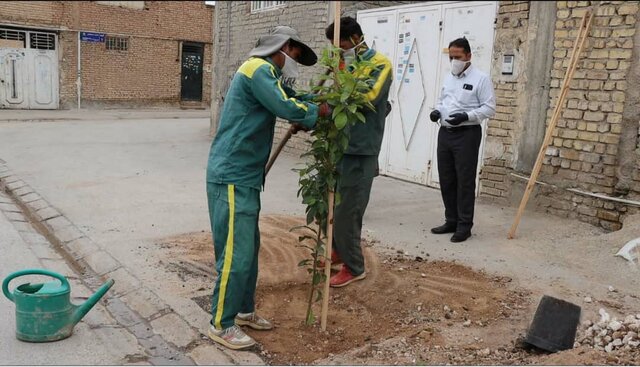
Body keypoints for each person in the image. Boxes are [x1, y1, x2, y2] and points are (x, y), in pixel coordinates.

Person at [205, 26, 331, 350]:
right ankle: (221, 324)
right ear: (284, 47)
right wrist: (319, 112)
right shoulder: (258, 68)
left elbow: (290, 98)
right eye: (296, 56)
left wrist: (313, 102)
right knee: (236, 254)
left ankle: (243, 311)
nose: (294, 63)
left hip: (246, 177)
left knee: (247, 252)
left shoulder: (268, 74)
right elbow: (286, 107)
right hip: (232, 176)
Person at [324, 17, 392, 288]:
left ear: (355, 38)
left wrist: (335, 98)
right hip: (339, 144)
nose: (339, 51)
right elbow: (329, 92)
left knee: (348, 210)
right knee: (330, 204)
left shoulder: (379, 64)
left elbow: (370, 97)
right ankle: (339, 251)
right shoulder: (342, 63)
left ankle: (354, 266)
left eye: (341, 46)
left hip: (361, 148)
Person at [429, 37, 496, 243]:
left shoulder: (481, 79)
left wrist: (466, 116)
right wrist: (437, 111)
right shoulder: (448, 77)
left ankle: (464, 225)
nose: (454, 61)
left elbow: (489, 108)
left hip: (466, 135)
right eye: (451, 57)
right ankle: (451, 220)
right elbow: (443, 101)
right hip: (445, 134)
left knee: (464, 181)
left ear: (468, 56)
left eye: (457, 56)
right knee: (447, 179)